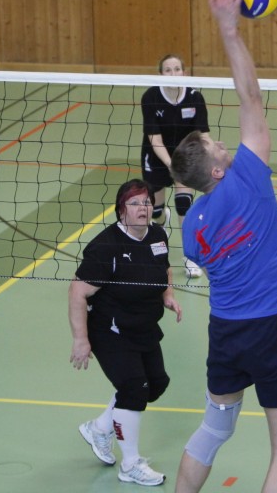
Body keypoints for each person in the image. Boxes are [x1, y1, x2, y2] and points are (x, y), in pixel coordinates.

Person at [168, 0, 277, 493]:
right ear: (217, 168)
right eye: (215, 144)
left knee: (213, 431)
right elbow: (251, 97)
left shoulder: (192, 225)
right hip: (276, 328)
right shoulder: (248, 178)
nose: (221, 141)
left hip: (227, 333)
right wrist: (229, 30)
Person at [69, 178, 183, 487]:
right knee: (134, 388)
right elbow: (77, 292)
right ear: (121, 211)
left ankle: (98, 429)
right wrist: (81, 339)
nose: (142, 208)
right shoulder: (106, 248)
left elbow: (164, 268)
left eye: (146, 202)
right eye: (134, 204)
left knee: (155, 385)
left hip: (143, 325)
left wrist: (168, 295)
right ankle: (130, 464)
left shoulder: (157, 235)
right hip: (110, 330)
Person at [140, 53, 209, 277]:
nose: (173, 73)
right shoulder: (151, 97)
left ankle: (190, 257)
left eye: (177, 69)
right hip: (157, 156)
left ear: (184, 72)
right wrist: (171, 165)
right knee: (156, 211)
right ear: (160, 74)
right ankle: (162, 218)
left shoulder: (195, 97)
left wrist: (211, 156)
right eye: (168, 70)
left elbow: (203, 135)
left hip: (185, 156)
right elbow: (155, 140)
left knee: (184, 204)